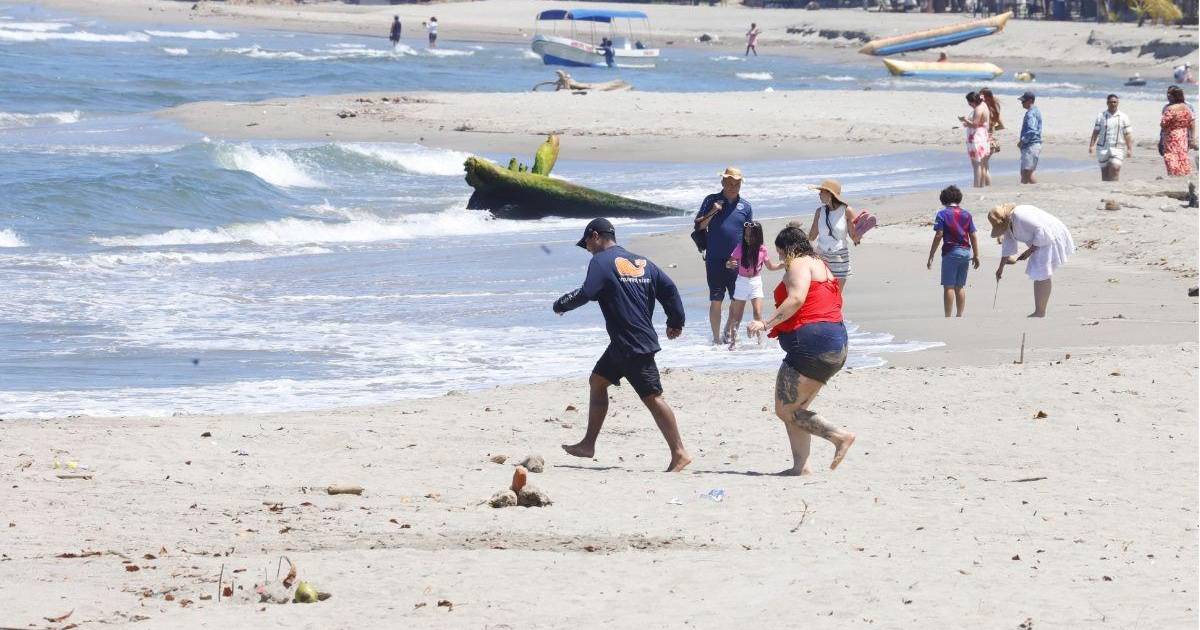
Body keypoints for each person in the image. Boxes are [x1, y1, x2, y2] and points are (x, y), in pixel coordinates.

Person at [554, 218, 692, 473]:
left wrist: (561, 304)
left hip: (633, 343)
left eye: (587, 244)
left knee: (653, 398)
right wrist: (676, 320)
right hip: (623, 343)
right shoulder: (643, 262)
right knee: (597, 381)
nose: (588, 250)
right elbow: (669, 289)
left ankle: (679, 453)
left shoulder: (600, 262)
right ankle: (588, 444)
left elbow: (586, 292)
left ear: (595, 236)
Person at [746, 225, 856, 475]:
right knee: (795, 410)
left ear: (788, 249)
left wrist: (765, 323)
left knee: (784, 409)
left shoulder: (798, 263)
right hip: (836, 343)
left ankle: (840, 437)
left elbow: (796, 298)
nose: (781, 258)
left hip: (811, 345)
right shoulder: (821, 265)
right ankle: (801, 467)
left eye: (780, 252)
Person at [695, 167, 754, 345]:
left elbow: (749, 236)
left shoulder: (746, 206)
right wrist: (713, 211)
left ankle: (728, 332)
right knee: (716, 299)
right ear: (722, 182)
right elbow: (699, 226)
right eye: (729, 183)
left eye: (736, 184)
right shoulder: (711, 200)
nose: (733, 187)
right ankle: (716, 340)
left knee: (737, 299)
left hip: (736, 260)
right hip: (714, 258)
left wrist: (747, 258)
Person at [988, 204, 1075, 318]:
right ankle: (1039, 311)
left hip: (1051, 235)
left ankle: (1040, 312)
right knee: (1039, 271)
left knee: (1041, 272)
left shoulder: (1019, 215)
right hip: (1040, 240)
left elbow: (1042, 230)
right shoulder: (1008, 223)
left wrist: (1030, 251)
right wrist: (1000, 268)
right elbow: (1008, 244)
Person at [724, 221, 784, 348]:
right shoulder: (740, 247)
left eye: (750, 236)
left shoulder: (763, 249)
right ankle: (733, 344)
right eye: (746, 235)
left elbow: (771, 267)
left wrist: (784, 264)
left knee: (757, 313)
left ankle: (760, 342)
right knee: (737, 315)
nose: (747, 238)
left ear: (758, 236)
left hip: (756, 283)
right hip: (741, 282)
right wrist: (730, 264)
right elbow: (729, 263)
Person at [925, 186, 980, 317]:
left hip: (951, 252)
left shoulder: (942, 214)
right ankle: (959, 315)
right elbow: (973, 235)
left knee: (948, 286)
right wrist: (976, 255)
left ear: (943, 200)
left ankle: (948, 317)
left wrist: (931, 255)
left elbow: (939, 235)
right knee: (959, 286)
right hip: (966, 252)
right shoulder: (967, 214)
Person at [806, 179, 860, 290]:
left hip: (839, 258)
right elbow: (812, 236)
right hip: (821, 256)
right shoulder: (819, 212)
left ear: (830, 194)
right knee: (822, 293)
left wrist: (861, 231)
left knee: (836, 294)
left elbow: (855, 238)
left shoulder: (846, 211)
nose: (819, 194)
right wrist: (795, 235)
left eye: (822, 191)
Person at [1089, 94, 1133, 182]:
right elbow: (1096, 132)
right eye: (1111, 102)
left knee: (1115, 168)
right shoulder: (1101, 116)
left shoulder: (1124, 117)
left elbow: (1127, 134)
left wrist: (1129, 148)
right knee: (1105, 172)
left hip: (1118, 148)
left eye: (1115, 102)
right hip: (1102, 148)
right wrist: (1091, 145)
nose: (1113, 104)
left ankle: (1114, 187)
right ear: (1107, 103)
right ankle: (1106, 188)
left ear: (1118, 103)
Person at [1160, 85, 1196, 177]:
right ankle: (1184, 173)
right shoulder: (1186, 107)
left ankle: (1173, 173)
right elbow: (1191, 122)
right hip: (1183, 134)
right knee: (1182, 155)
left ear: (1174, 96)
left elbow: (1163, 123)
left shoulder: (1169, 108)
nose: (1168, 96)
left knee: (1170, 154)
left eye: (1170, 95)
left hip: (1171, 134)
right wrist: (1192, 138)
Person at [959, 91, 991, 188]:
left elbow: (975, 124)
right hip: (983, 136)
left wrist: (964, 119)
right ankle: (982, 185)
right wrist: (968, 123)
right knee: (982, 164)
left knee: (976, 164)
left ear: (972, 101)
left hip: (977, 138)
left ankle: (977, 186)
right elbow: (980, 122)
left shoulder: (978, 109)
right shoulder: (984, 105)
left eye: (969, 103)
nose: (969, 105)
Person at [1017, 91, 1042, 184]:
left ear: (1030, 101)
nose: (1022, 103)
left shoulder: (1031, 114)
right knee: (1025, 173)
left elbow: (1032, 130)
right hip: (1032, 145)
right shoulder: (1035, 111)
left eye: (1023, 101)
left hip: (1031, 145)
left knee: (1027, 173)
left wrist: (1022, 141)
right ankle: (1025, 189)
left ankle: (1034, 189)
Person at [979, 87, 1002, 186]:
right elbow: (1001, 125)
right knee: (985, 165)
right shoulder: (993, 109)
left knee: (982, 165)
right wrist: (992, 129)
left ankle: (986, 186)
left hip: (986, 140)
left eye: (981, 96)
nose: (979, 98)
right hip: (991, 140)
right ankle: (986, 185)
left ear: (987, 97)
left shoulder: (986, 110)